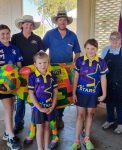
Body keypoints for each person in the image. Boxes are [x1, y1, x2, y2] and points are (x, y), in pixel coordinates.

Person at [43, 10, 81, 147]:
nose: (62, 22)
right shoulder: (49, 34)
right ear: (57, 21)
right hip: (53, 70)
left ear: (67, 22)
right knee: (54, 94)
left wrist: (75, 64)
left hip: (67, 71)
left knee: (64, 95)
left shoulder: (72, 36)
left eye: (64, 20)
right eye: (60, 20)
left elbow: (77, 52)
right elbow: (42, 50)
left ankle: (60, 117)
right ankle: (55, 118)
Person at [71, 39, 108, 150]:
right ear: (85, 49)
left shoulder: (101, 62)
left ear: (97, 49)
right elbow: (76, 77)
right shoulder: (79, 60)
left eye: (93, 48)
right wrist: (73, 93)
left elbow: (103, 79)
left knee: (90, 115)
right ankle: (76, 141)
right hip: (81, 93)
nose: (90, 51)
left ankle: (87, 138)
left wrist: (104, 94)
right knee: (80, 115)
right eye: (88, 48)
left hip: (93, 94)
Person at [11, 15, 45, 134]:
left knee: (35, 99)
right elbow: (12, 52)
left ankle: (36, 123)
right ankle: (18, 123)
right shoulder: (15, 38)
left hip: (35, 73)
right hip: (20, 73)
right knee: (20, 100)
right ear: (22, 25)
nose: (28, 26)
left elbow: (41, 53)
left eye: (31, 24)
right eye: (26, 24)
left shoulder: (37, 38)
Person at [28, 51, 58, 150]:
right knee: (40, 128)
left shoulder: (52, 75)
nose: (43, 65)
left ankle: (46, 147)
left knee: (47, 127)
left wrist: (52, 106)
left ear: (48, 63)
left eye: (45, 62)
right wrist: (40, 108)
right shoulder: (32, 76)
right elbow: (31, 94)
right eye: (40, 63)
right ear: (35, 64)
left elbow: (55, 92)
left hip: (50, 107)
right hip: (38, 108)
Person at [0, 24, 23, 150]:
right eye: (2, 34)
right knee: (9, 108)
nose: (5, 36)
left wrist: (17, 80)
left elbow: (19, 66)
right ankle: (10, 137)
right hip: (2, 85)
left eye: (7, 33)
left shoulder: (15, 48)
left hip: (13, 84)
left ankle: (7, 132)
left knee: (10, 108)